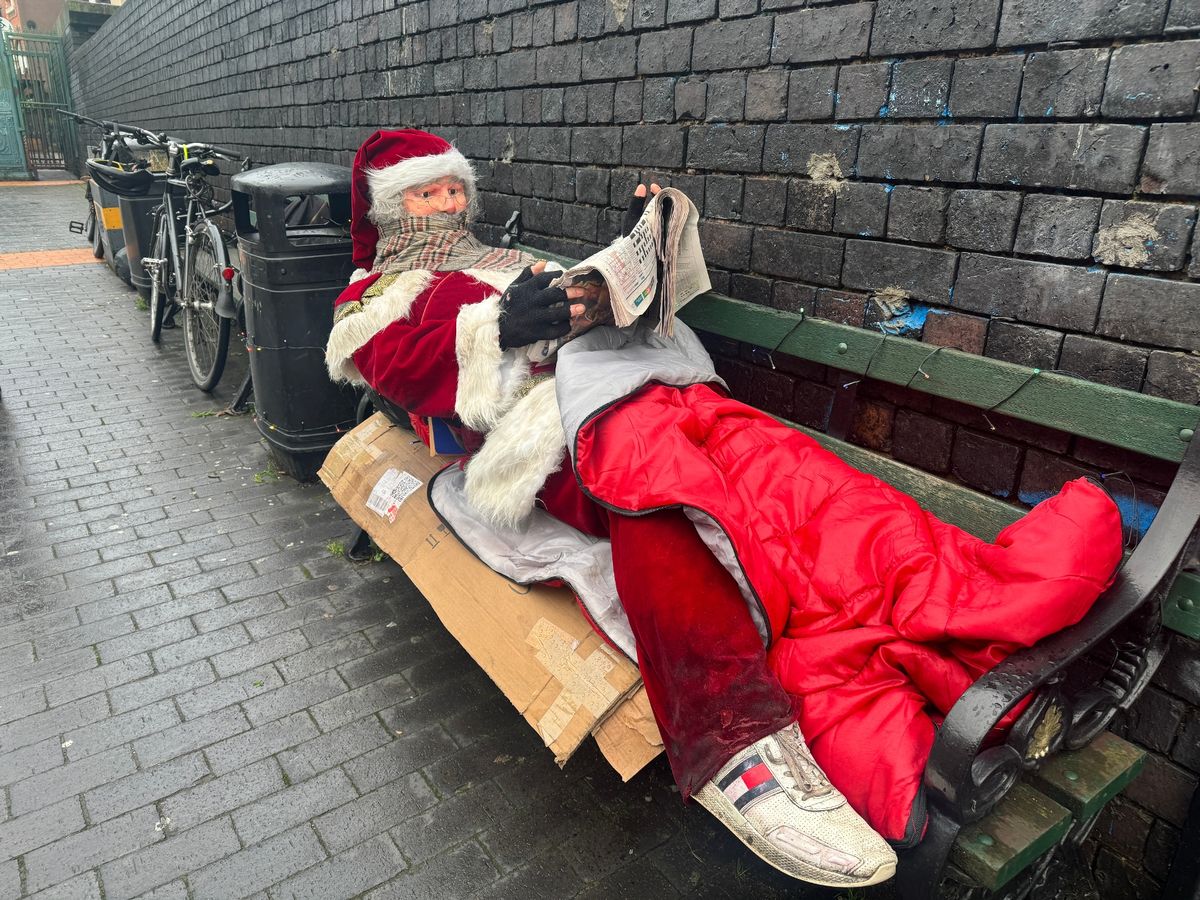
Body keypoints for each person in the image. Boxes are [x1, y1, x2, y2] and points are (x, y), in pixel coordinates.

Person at [325, 129, 1124, 888]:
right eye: (425, 196)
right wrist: (495, 330)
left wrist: (630, 257)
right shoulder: (375, 299)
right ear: (388, 211)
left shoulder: (506, 256)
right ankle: (735, 739)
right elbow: (396, 367)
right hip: (559, 434)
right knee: (668, 495)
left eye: (452, 191)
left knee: (805, 481)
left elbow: (589, 309)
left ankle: (983, 617)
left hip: (659, 389)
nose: (447, 208)